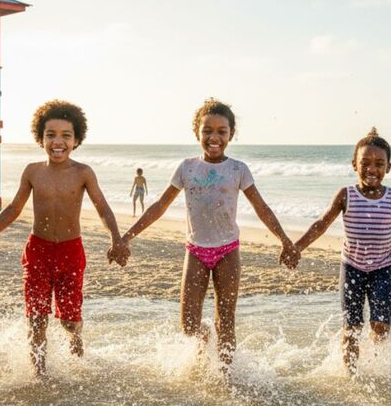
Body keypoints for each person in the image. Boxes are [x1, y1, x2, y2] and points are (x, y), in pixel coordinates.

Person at [121, 98, 298, 371]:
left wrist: (285, 241)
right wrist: (127, 236)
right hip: (196, 252)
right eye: (207, 131)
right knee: (189, 325)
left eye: (221, 131)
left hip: (228, 250)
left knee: (226, 319)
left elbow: (260, 207)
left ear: (231, 135)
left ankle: (225, 377)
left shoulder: (238, 169)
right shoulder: (187, 168)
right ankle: (206, 341)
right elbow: (159, 206)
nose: (214, 137)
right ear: (197, 133)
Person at [0, 100, 129, 377]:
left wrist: (116, 239)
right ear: (40, 138)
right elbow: (13, 209)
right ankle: (39, 373)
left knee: (68, 319)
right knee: (37, 316)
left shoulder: (83, 173)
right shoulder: (33, 172)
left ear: (76, 139)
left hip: (71, 252)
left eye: (66, 136)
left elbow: (102, 208)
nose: (58, 142)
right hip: (38, 251)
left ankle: (76, 338)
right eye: (51, 135)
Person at [293, 128, 391, 375]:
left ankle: (375, 369)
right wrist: (296, 248)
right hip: (351, 269)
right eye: (365, 163)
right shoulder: (345, 195)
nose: (372, 169)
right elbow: (321, 224)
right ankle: (351, 375)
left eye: (379, 164)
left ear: (389, 167)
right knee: (352, 326)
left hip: (382, 269)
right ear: (354, 165)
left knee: (381, 325)